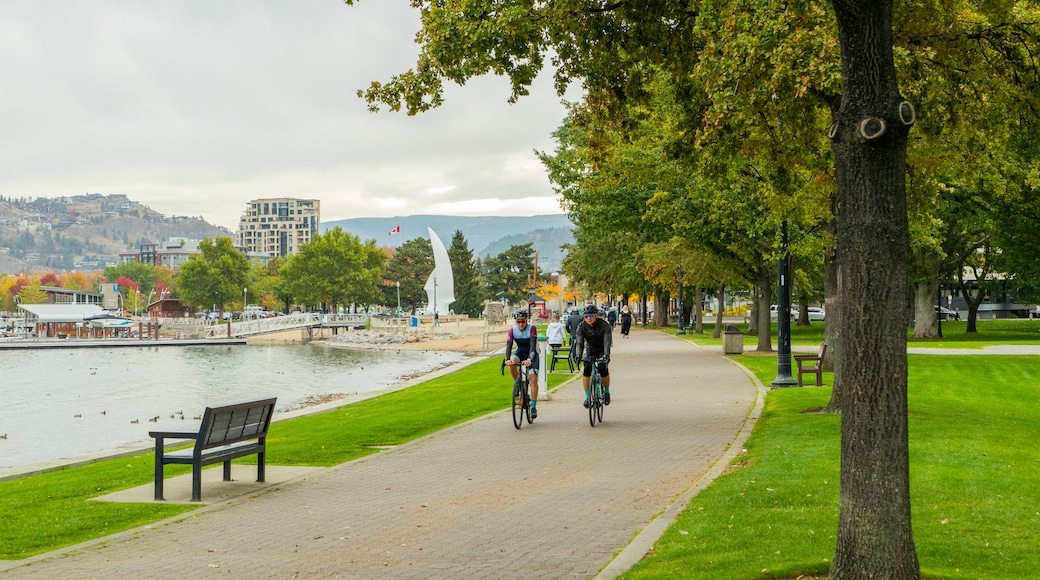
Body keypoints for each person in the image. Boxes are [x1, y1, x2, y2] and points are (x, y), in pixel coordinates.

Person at [574, 304, 612, 407]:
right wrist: (578, 355)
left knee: (603, 368)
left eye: (591, 316)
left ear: (596, 315)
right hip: (590, 349)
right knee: (586, 369)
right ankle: (587, 397)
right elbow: (580, 343)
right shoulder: (581, 326)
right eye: (586, 317)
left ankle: (607, 392)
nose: (588, 319)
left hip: (602, 349)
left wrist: (606, 355)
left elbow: (606, 341)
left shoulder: (604, 325)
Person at [504, 309, 541, 419]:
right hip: (520, 352)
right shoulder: (512, 330)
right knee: (512, 362)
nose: (520, 324)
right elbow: (509, 346)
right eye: (518, 322)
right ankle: (517, 383)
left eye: (523, 321)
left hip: (532, 353)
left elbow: (533, 346)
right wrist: (507, 359)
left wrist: (530, 359)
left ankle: (533, 407)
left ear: (526, 321)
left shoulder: (532, 328)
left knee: (533, 379)